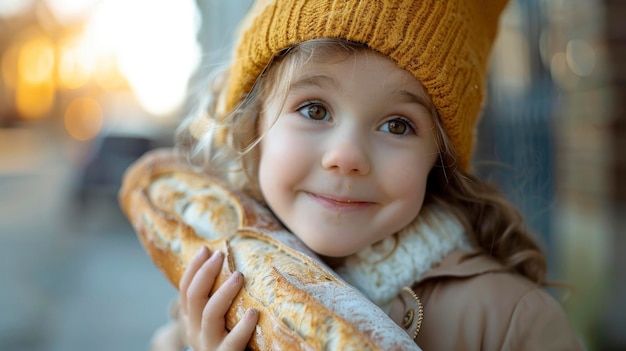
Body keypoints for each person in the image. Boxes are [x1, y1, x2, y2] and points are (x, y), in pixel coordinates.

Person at [150, 0, 584, 350]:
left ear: (439, 157)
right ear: (254, 126)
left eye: (397, 125)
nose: (346, 156)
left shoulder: (510, 323)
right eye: (314, 110)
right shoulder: (217, 291)